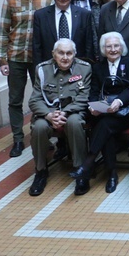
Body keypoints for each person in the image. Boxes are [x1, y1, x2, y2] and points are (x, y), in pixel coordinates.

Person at [69, 32, 129, 193]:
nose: (113, 49)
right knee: (104, 125)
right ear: (103, 49)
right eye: (109, 46)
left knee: (104, 125)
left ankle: (88, 166)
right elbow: (93, 91)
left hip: (126, 111)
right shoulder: (98, 67)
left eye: (116, 46)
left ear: (122, 47)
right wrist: (93, 106)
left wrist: (119, 101)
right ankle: (111, 174)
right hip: (104, 112)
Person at [0, 0, 53, 158]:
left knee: (45, 97)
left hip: (40, 58)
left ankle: (44, 136)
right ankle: (18, 139)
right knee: (15, 99)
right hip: (16, 57)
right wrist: (2, 60)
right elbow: (4, 32)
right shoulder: (10, 1)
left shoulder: (47, 0)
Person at [27, 39, 92, 196]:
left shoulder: (84, 68)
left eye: (69, 53)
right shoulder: (42, 69)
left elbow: (84, 97)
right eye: (61, 53)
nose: (65, 57)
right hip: (48, 112)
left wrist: (65, 112)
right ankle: (41, 171)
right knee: (39, 127)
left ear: (74, 55)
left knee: (75, 122)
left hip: (73, 111)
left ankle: (80, 170)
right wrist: (49, 115)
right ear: (53, 55)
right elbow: (34, 100)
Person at [32, 0, 94, 64]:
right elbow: (36, 46)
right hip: (49, 66)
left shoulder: (84, 14)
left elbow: (89, 45)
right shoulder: (41, 15)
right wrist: (39, 69)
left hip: (78, 66)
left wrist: (87, 66)